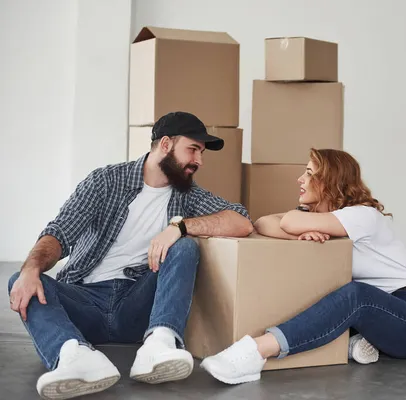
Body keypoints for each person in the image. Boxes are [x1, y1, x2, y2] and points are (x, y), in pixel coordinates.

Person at [7, 111, 253, 399]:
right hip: (84, 301)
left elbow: (242, 220)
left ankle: (159, 344)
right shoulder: (105, 182)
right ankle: (75, 356)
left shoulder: (190, 196)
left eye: (201, 152)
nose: (199, 160)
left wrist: (181, 227)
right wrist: (31, 268)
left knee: (185, 245)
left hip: (137, 304)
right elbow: (60, 233)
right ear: (165, 144)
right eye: (193, 149)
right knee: (21, 278)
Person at [200, 148, 406, 384]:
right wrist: (301, 235)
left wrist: (299, 229)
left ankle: (256, 352)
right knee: (326, 284)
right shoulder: (329, 220)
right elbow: (263, 223)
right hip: (381, 314)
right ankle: (356, 342)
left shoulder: (362, 215)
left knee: (357, 295)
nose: (300, 179)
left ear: (329, 181)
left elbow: (289, 221)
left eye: (308, 173)